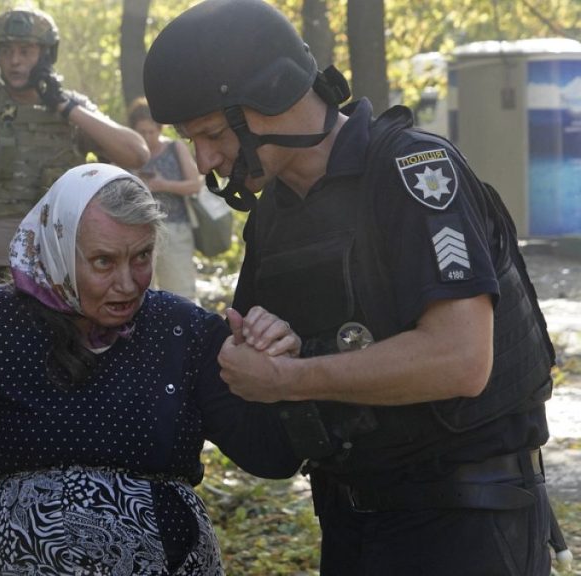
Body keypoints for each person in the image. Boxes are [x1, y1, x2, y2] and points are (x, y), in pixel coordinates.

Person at [142, 1, 560, 574]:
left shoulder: (414, 171)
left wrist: (290, 379)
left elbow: (461, 358)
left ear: (274, 96)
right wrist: (267, 346)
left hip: (466, 523)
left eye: (213, 133)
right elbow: (260, 386)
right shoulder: (275, 216)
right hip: (353, 520)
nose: (207, 160)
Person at [0, 163, 303, 575]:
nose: (128, 284)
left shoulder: (183, 330)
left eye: (142, 256)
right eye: (103, 262)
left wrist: (279, 373)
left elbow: (273, 456)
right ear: (57, 250)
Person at [0, 7, 149, 291]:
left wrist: (65, 107)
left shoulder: (72, 110)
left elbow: (137, 154)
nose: (14, 61)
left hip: (53, 270)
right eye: (6, 51)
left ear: (46, 56)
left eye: (25, 51)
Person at [126, 97, 202, 301]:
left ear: (160, 129)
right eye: (142, 132)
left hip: (175, 229)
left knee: (180, 293)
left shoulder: (175, 148)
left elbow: (195, 184)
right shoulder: (126, 154)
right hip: (136, 233)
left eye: (152, 131)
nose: (148, 136)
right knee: (140, 294)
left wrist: (163, 185)